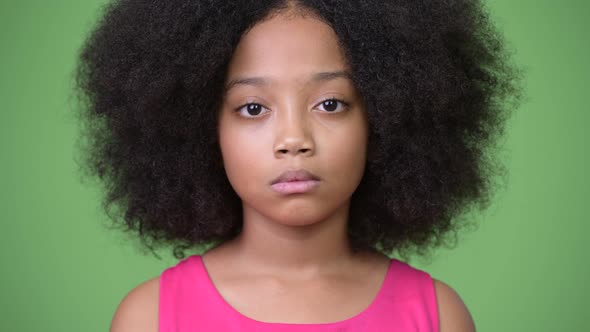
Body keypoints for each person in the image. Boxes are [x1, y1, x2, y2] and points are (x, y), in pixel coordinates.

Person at [74, 0, 520, 331]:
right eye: (252, 109)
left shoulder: (438, 316)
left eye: (330, 103)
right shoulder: (148, 318)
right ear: (201, 129)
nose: (294, 140)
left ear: (384, 119)